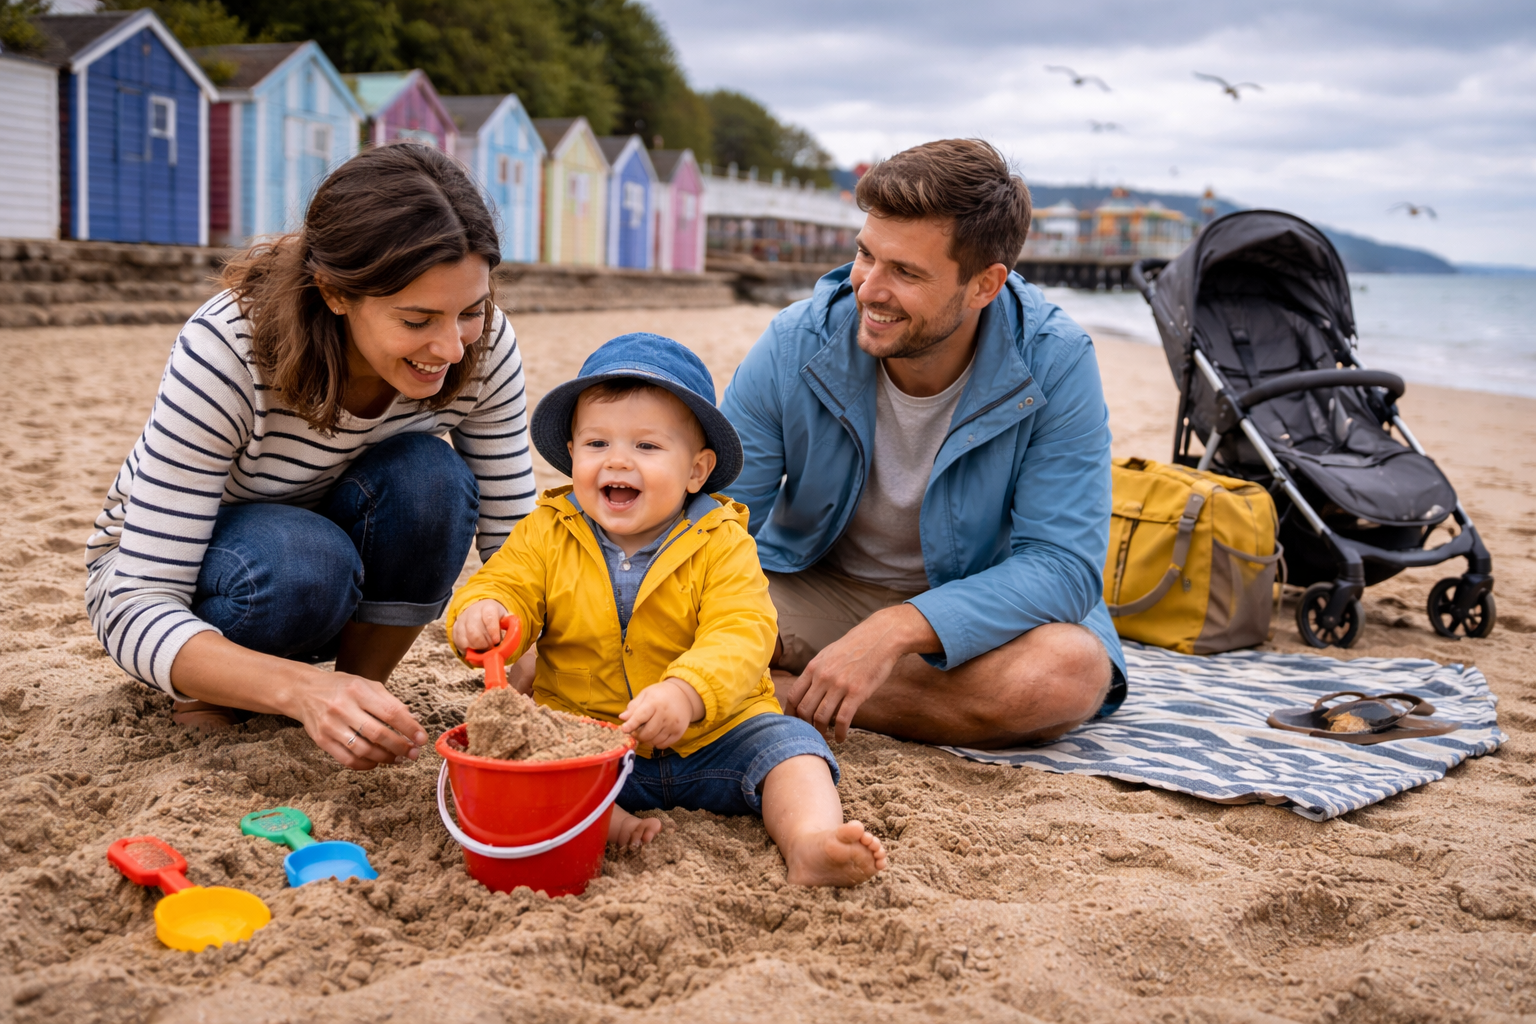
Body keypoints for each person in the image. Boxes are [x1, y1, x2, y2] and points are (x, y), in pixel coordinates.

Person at [84, 144, 536, 771]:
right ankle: (215, 696)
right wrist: (303, 691)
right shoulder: (227, 348)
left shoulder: (482, 345)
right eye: (417, 320)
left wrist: (545, 667)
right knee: (303, 557)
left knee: (432, 479)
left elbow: (520, 544)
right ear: (334, 292)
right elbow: (133, 600)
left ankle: (362, 692)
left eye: (471, 311)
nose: (451, 347)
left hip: (336, 559)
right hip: (210, 580)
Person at [720, 138, 1127, 748]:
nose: (869, 289)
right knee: (667, 614)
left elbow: (1063, 567)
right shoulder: (797, 339)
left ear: (985, 285)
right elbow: (717, 519)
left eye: (905, 272)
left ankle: (773, 694)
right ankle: (827, 690)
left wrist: (898, 629)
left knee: (1064, 676)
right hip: (813, 582)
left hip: (981, 606)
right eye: (866, 256)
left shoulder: (1056, 360)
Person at [448, 334, 887, 886]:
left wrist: (688, 691)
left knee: (794, 749)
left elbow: (744, 631)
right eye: (597, 443)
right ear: (572, 452)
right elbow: (507, 581)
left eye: (647, 447)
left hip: (717, 735)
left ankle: (809, 842)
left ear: (697, 471)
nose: (618, 460)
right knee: (530, 752)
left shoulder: (722, 541)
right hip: (594, 738)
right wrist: (483, 609)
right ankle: (609, 820)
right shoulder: (547, 532)